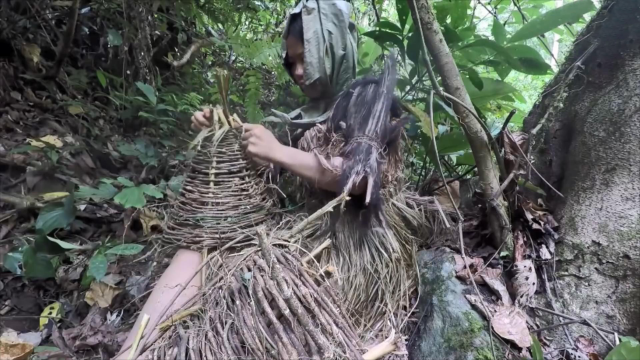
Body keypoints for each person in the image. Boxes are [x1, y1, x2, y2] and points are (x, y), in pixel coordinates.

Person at [190, 0, 363, 196]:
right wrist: (223, 129)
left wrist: (278, 151)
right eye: (292, 62)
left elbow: (361, 177)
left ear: (333, 51)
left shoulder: (368, 102)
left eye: (306, 59)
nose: (297, 72)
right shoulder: (303, 118)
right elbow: (276, 176)